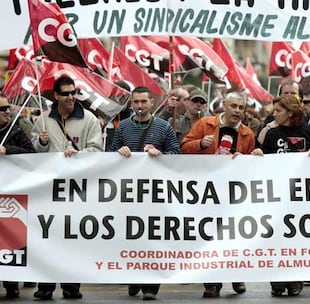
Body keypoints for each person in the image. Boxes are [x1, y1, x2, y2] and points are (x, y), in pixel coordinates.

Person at [181, 91, 262, 298]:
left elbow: (251, 166)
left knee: (233, 236)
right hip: (207, 192)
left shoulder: (247, 134)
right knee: (209, 236)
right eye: (233, 106)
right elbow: (183, 147)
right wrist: (200, 144)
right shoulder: (204, 124)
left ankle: (236, 274)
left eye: (240, 108)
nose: (237, 111)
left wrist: (251, 157)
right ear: (224, 107)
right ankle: (212, 282)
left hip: (233, 194)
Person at [31, 76, 103, 300]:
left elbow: (97, 150)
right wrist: (41, 142)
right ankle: (45, 286)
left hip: (78, 189)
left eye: (73, 92)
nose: (71, 97)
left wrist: (79, 155)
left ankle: (72, 286)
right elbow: (33, 153)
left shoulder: (89, 119)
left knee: (72, 238)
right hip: (49, 189)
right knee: (47, 237)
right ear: (56, 96)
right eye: (66, 93)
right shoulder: (43, 120)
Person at [110, 86, 180, 300]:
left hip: (156, 194)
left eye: (143, 102)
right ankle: (134, 277)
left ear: (151, 103)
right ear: (131, 103)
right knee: (132, 236)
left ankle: (151, 285)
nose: (139, 106)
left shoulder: (163, 126)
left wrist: (162, 154)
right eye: (136, 102)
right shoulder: (123, 127)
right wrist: (118, 152)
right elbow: (109, 154)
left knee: (153, 237)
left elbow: (176, 153)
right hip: (129, 193)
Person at [260, 94, 310, 297]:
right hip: (277, 196)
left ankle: (295, 278)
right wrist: (257, 155)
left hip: (302, 196)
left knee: (297, 239)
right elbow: (263, 157)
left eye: (278, 111)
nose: (274, 114)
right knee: (277, 238)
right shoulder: (272, 134)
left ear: (290, 112)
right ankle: (277, 280)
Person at [0, 93, 36, 299]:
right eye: (2, 109)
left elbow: (31, 155)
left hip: (11, 195)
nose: (7, 111)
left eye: (8, 108)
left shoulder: (15, 131)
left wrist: (8, 150)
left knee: (10, 240)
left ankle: (11, 283)